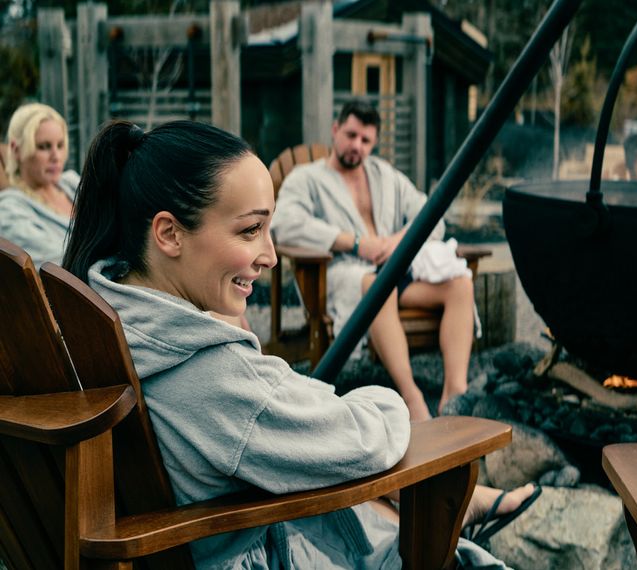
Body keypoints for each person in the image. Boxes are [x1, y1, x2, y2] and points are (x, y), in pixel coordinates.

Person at [62, 119, 536, 569]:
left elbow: (272, 405)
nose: (269, 255)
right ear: (169, 233)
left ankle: (461, 509)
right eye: (250, 230)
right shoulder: (215, 375)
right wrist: (389, 402)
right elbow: (362, 441)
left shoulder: (102, 314)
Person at [273, 100, 476, 421]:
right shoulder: (307, 178)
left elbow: (432, 215)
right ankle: (411, 398)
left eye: (365, 140)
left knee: (460, 284)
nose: (357, 145)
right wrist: (355, 243)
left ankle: (454, 394)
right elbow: (284, 224)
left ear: (374, 142)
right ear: (335, 130)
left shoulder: (386, 176)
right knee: (377, 286)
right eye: (351, 135)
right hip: (345, 274)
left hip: (394, 270)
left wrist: (398, 243)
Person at [0, 102, 79, 266]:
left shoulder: (72, 183)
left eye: (60, 145)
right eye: (44, 147)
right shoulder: (10, 211)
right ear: (16, 150)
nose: (56, 156)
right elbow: (57, 267)